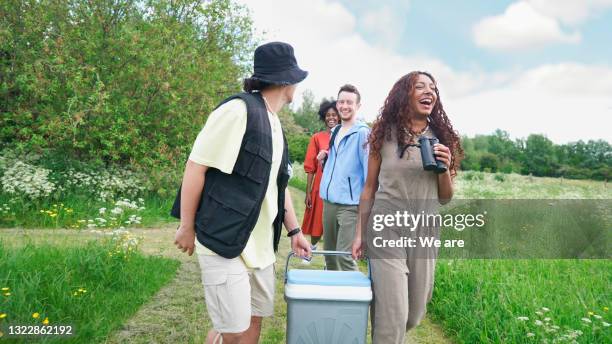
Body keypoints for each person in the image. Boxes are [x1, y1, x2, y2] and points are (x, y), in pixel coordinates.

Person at [172, 41, 312, 344]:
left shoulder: (275, 123)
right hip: (225, 239)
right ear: (287, 81)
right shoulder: (237, 111)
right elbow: (196, 167)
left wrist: (295, 230)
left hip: (260, 247)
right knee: (233, 332)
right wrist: (186, 226)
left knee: (250, 327)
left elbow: (278, 184)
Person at [351, 71, 463, 343]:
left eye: (433, 88)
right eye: (420, 87)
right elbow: (369, 188)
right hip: (386, 225)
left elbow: (445, 197)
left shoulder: (442, 137)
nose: (429, 92)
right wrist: (360, 234)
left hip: (424, 229)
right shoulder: (383, 133)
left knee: (412, 314)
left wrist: (445, 168)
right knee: (392, 314)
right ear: (405, 94)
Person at [319, 84, 369, 271]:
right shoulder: (335, 132)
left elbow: (369, 176)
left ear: (358, 106)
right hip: (329, 203)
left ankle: (356, 300)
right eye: (341, 101)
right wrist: (325, 158)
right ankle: (333, 299)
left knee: (344, 257)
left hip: (350, 206)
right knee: (329, 257)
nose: (344, 106)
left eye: (349, 102)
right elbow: (339, 166)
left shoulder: (363, 133)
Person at [301, 100, 340, 245]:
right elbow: (311, 167)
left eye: (334, 115)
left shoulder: (346, 136)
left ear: (340, 116)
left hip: (338, 185)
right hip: (320, 185)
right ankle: (312, 248)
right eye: (328, 115)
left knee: (335, 222)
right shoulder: (317, 138)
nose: (331, 118)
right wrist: (308, 193)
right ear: (324, 117)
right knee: (317, 219)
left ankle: (329, 257)